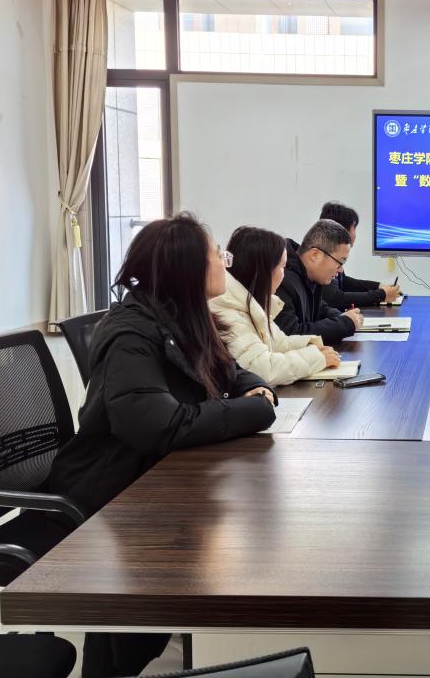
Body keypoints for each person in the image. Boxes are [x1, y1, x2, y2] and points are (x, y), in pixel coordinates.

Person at [43, 213, 277, 677]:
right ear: (188, 269)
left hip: (153, 472)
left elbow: (232, 372)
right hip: (111, 487)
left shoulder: (187, 318)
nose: (224, 263)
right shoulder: (132, 333)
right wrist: (254, 409)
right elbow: (157, 426)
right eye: (217, 255)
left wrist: (256, 390)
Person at [210, 226, 341, 385]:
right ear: (264, 271)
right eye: (282, 267)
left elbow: (279, 343)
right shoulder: (228, 311)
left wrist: (312, 345)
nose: (284, 275)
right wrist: (317, 358)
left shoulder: (247, 302)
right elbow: (264, 369)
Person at [275, 220, 364, 344]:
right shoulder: (281, 280)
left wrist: (342, 316)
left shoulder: (308, 276)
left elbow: (320, 309)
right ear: (315, 255)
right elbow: (291, 335)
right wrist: (345, 323)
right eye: (340, 262)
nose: (340, 270)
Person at [319, 201, 401, 308]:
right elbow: (336, 299)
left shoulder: (331, 253)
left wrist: (379, 287)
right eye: (354, 228)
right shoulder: (323, 257)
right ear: (341, 231)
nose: (340, 270)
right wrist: (381, 295)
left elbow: (344, 282)